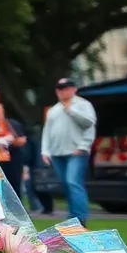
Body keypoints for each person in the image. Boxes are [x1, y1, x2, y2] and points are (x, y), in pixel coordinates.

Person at [42, 77, 96, 223]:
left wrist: (83, 146)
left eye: (65, 88)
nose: (62, 92)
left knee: (73, 182)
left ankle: (79, 218)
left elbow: (89, 124)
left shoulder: (83, 105)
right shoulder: (54, 109)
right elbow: (47, 131)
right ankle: (72, 217)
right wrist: (45, 151)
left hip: (76, 152)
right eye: (59, 89)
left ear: (74, 89)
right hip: (57, 153)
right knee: (66, 184)